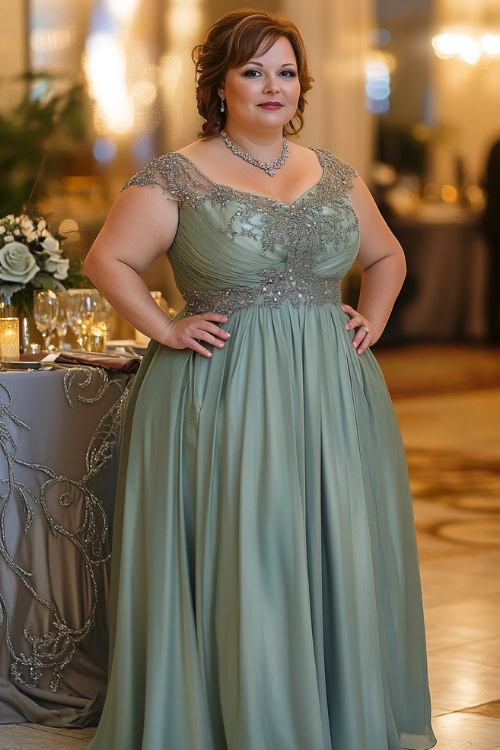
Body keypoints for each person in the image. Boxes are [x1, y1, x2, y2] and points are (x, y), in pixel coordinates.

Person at [84, 9, 437, 750]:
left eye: (284, 72)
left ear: (300, 86)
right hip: (224, 387)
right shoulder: (177, 174)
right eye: (252, 71)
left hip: (332, 393)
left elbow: (387, 257)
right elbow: (107, 261)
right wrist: (166, 327)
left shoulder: (333, 171)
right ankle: (247, 717)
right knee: (253, 548)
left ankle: (328, 711)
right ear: (219, 86)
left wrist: (370, 317)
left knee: (328, 542)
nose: (271, 86)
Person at [481, 137, 500, 343]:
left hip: (494, 222)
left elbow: (484, 182)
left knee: (493, 280)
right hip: (495, 223)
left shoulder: (495, 145)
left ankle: (491, 331)